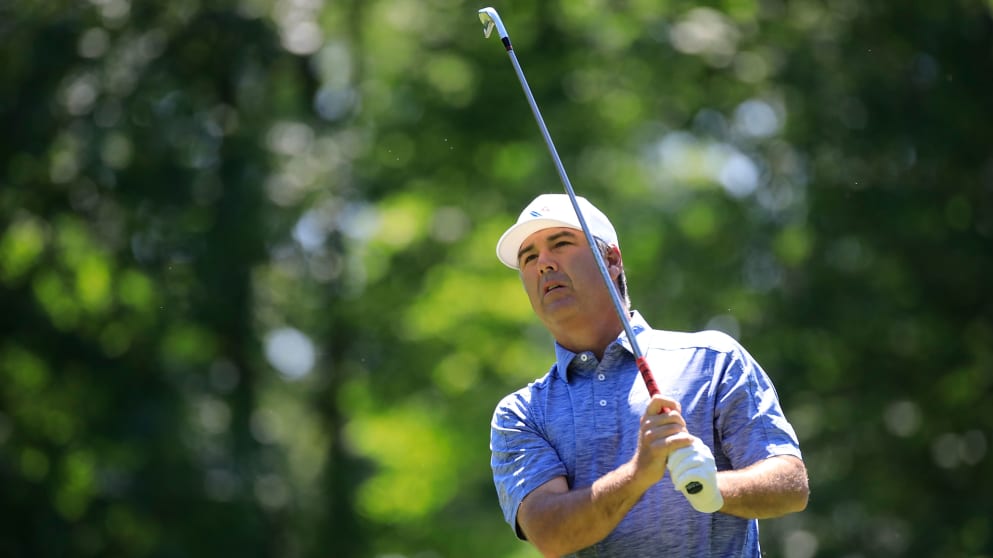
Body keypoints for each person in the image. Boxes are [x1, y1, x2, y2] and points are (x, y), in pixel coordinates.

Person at [490, 194, 809, 557]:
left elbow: (791, 484)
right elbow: (549, 534)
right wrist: (639, 473)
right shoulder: (522, 413)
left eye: (561, 244)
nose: (544, 264)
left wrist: (714, 490)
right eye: (529, 257)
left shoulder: (711, 360)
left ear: (612, 260)